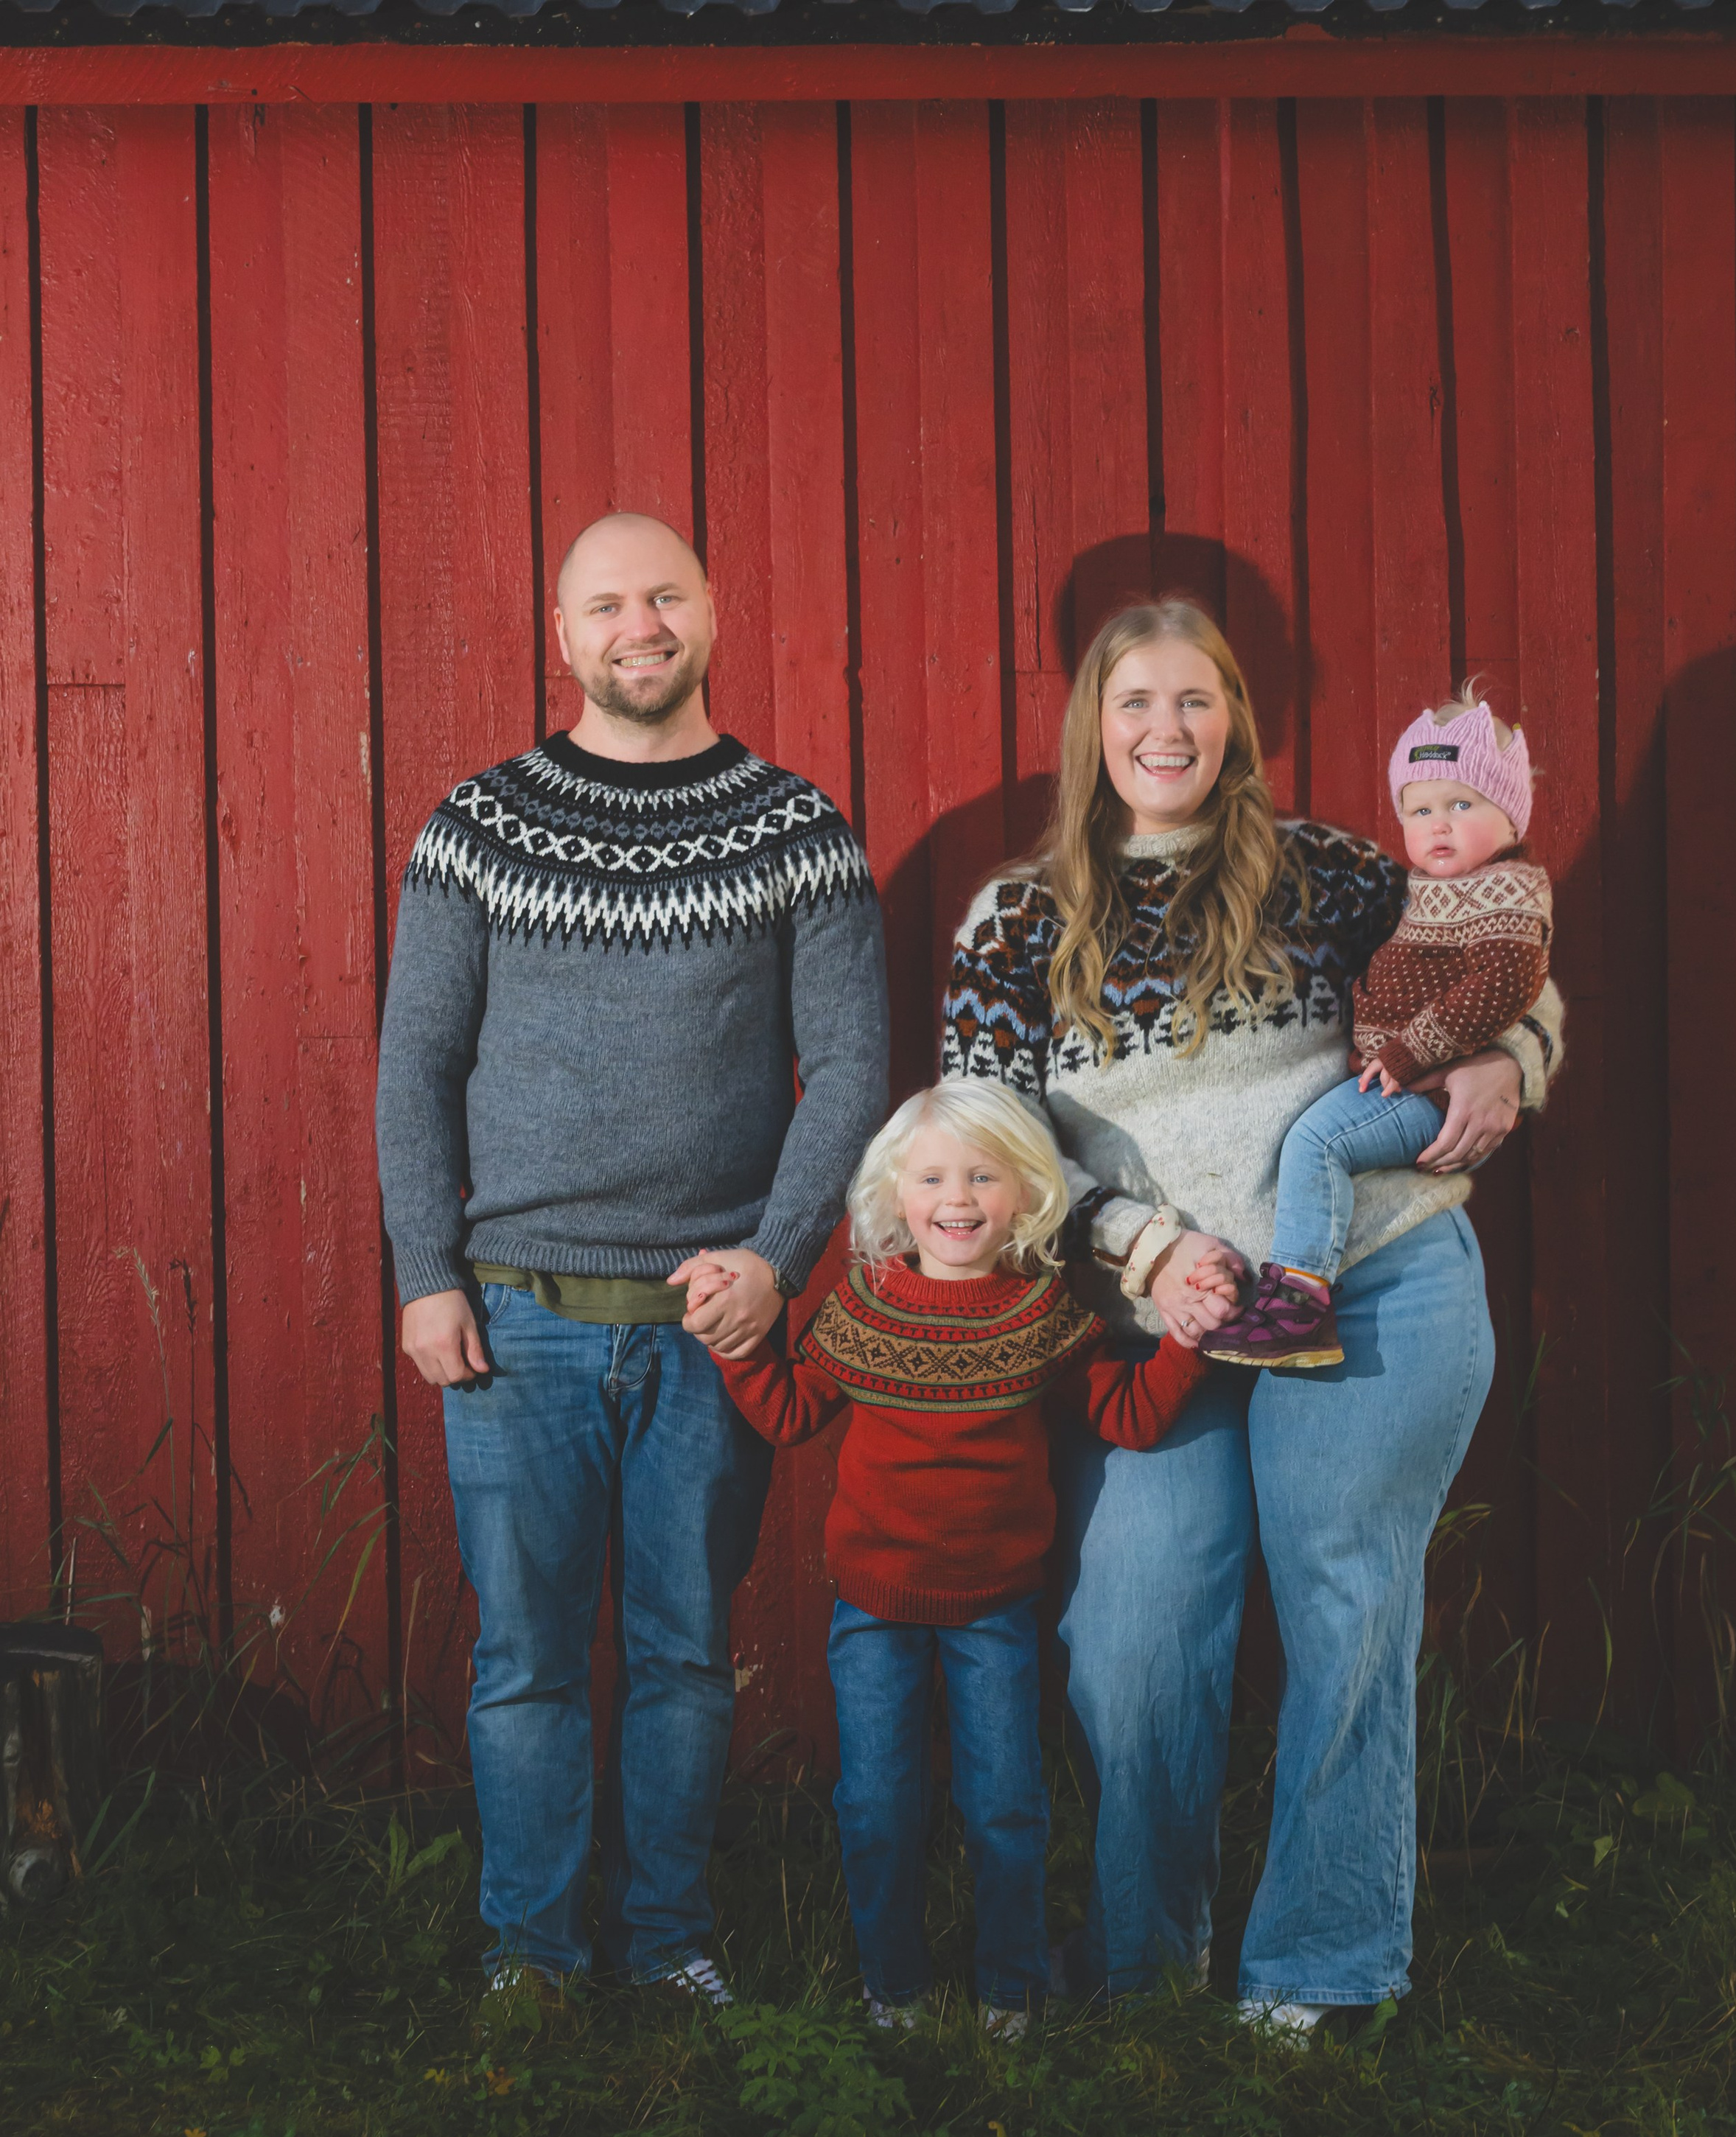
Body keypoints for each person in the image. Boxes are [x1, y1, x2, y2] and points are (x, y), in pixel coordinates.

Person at [940, 599, 1563, 2031]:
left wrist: (1509, 1062)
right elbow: (989, 1144)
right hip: (1159, 1331)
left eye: (1196, 703)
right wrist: (1141, 1248)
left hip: (1370, 1278)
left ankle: (1321, 1974)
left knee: (1344, 1604)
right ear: (1090, 730)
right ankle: (1144, 1973)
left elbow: (1497, 942)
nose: (1166, 732)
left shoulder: (1326, 871)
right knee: (1133, 1638)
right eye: (1135, 704)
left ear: (1236, 723)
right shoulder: (1016, 919)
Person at [375, 512, 889, 1999]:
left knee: (679, 1655)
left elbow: (850, 1071)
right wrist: (425, 1268)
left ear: (712, 610)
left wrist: (778, 1262)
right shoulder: (477, 827)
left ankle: (670, 1951)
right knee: (524, 1661)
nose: (638, 628)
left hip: (707, 1319)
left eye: (662, 596)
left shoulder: (800, 831)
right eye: (605, 605)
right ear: (561, 629)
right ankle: (531, 1957)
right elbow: (416, 1062)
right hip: (515, 1319)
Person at [693, 1083, 1205, 2029]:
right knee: (880, 1809)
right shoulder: (865, 1307)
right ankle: (894, 1990)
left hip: (995, 1609)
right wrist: (737, 1343)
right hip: (874, 1609)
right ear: (896, 1196)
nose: (957, 1197)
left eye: (982, 1175)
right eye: (931, 1177)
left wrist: (1188, 1342)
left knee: (1006, 1809)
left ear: (1026, 1194)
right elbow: (793, 1412)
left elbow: (1125, 1417)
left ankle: (1008, 1992)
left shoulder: (1037, 1313)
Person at [1204, 688, 1552, 1370]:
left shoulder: (1506, 889)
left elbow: (1512, 983)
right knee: (1319, 1138)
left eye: (1463, 804)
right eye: (1420, 810)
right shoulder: (1431, 887)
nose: (1438, 826)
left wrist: (1484, 1055)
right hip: (1400, 1074)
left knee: (1318, 1140)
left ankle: (1298, 1299)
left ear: (1511, 816)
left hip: (1423, 1088)